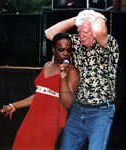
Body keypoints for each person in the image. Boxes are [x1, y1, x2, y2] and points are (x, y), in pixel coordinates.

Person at [45, 9, 119, 150]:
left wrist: (96, 16)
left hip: (101, 112)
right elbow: (49, 33)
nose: (82, 36)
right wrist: (77, 20)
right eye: (79, 32)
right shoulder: (77, 43)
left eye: (86, 32)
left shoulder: (108, 44)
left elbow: (98, 31)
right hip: (78, 111)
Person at [0, 33, 79, 150]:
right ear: (53, 49)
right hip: (34, 115)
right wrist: (13, 106)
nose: (65, 53)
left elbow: (68, 103)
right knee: (20, 145)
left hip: (52, 119)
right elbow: (40, 94)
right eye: (61, 50)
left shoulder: (72, 71)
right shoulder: (47, 65)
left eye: (68, 50)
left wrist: (63, 78)